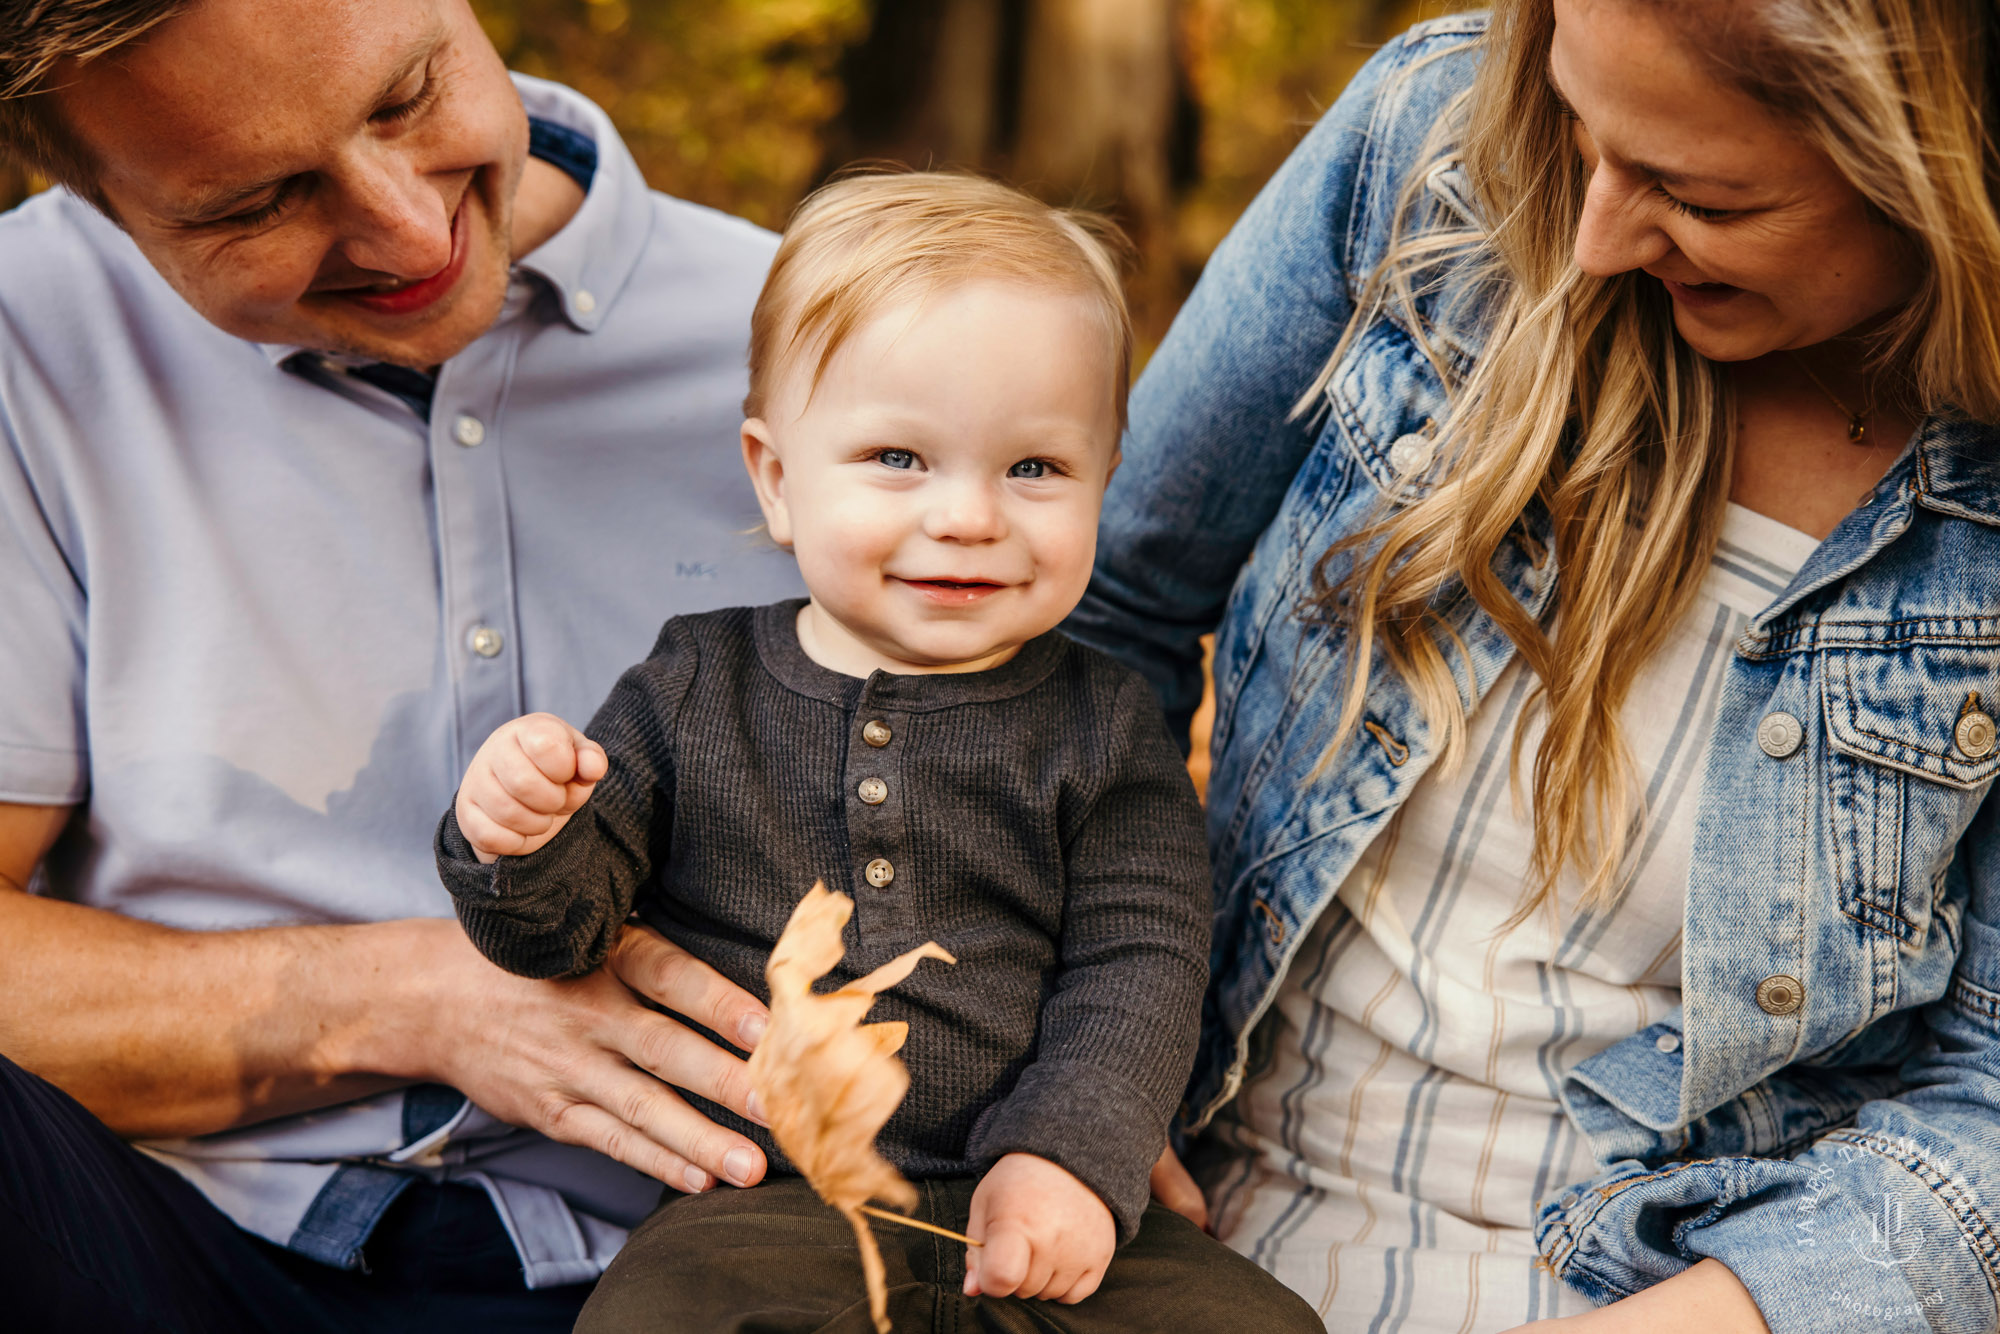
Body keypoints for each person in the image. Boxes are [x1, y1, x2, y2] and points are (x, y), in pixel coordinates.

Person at [1067, 1, 2000, 1331]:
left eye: (1702, 196)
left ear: (1939, 171)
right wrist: (1076, 1044)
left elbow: (1989, 1096)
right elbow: (1110, 608)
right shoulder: (1432, 143)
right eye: (1579, 127)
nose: (1597, 235)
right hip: (1177, 1225)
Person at [0, 1, 814, 1328]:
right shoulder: (23, 334)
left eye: (408, 96)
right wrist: (421, 999)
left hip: (693, 1266)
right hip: (165, 1234)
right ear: (92, 195)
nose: (405, 227)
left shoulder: (823, 339)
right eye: (256, 201)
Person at [433, 171, 1324, 1333]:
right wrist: (520, 838)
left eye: (1034, 468)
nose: (966, 514)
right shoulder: (695, 685)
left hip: (1042, 1185)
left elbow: (1140, 962)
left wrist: (1070, 1153)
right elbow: (556, 935)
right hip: (766, 1199)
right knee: (652, 1318)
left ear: (1104, 478)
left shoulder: (1103, 725)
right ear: (776, 476)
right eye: (899, 457)